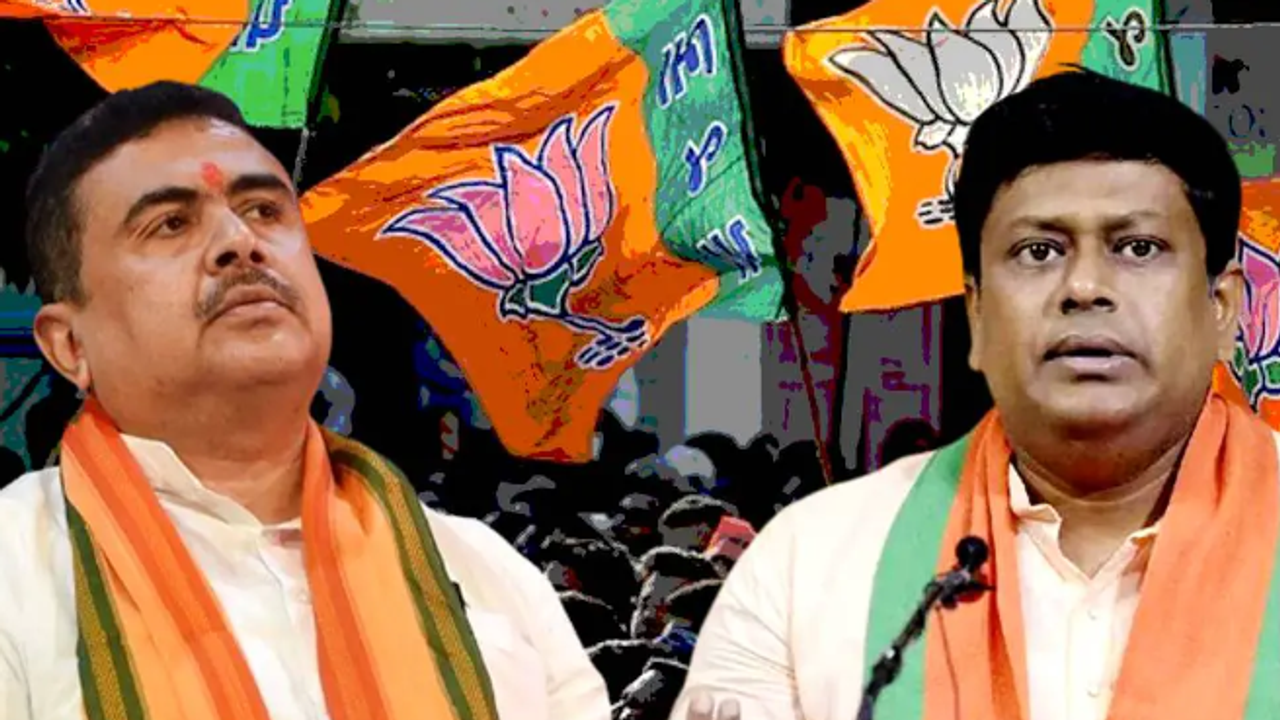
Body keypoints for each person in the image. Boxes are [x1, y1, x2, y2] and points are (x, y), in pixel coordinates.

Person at [673, 70, 1277, 720]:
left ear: (1222, 309)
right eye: (1039, 251)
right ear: (978, 314)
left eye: (1137, 247)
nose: (1084, 287)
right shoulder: (812, 564)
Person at [0, 81, 610, 720]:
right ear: (70, 345)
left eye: (265, 210)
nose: (240, 241)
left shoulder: (482, 572)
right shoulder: (19, 572)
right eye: (171, 223)